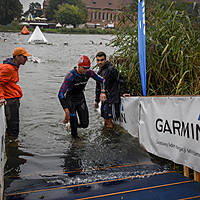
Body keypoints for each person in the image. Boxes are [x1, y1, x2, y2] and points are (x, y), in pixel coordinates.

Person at [58, 55, 106, 139]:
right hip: (70, 99)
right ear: (79, 66)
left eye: (88, 68)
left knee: (85, 124)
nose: (86, 70)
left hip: (80, 98)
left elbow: (102, 81)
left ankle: (71, 124)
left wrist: (102, 92)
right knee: (74, 133)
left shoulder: (89, 72)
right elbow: (60, 94)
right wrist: (66, 110)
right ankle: (74, 140)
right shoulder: (70, 76)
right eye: (84, 68)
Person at [0, 47, 31, 137]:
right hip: (10, 101)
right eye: (24, 57)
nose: (26, 59)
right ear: (17, 57)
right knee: (13, 127)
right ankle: (12, 145)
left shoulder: (13, 67)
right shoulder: (8, 68)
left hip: (12, 99)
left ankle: (10, 141)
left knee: (13, 125)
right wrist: (1, 97)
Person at [94, 51, 130, 129]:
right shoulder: (99, 71)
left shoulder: (111, 69)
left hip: (112, 99)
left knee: (109, 121)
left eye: (102, 60)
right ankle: (106, 137)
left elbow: (121, 80)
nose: (100, 62)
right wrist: (96, 100)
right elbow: (98, 87)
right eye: (98, 60)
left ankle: (112, 140)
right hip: (104, 100)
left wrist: (124, 92)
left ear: (105, 60)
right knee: (105, 119)